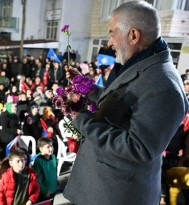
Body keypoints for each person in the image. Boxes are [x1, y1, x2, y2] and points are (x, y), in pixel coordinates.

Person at [62, 1, 189, 205]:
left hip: (116, 194)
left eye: (112, 33)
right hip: (102, 185)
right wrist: (87, 86)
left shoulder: (165, 86)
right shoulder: (140, 63)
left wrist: (81, 120)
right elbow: (122, 100)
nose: (109, 42)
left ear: (133, 35)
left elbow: (139, 147)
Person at [32, 137, 57, 202]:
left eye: (51, 146)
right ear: (41, 149)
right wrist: (44, 192)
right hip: (45, 193)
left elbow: (54, 172)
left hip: (53, 189)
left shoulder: (53, 157)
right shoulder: (38, 161)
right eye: (48, 147)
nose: (51, 149)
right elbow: (37, 179)